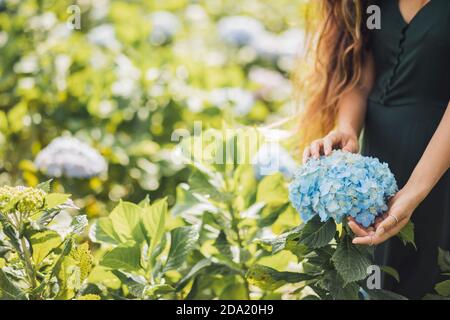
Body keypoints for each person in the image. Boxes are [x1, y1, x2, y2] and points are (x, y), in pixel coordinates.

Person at [300, 0, 450, 299]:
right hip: (380, 150)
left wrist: (413, 191)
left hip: (440, 160)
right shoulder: (371, 5)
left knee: (432, 273)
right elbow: (361, 74)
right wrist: (346, 129)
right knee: (374, 278)